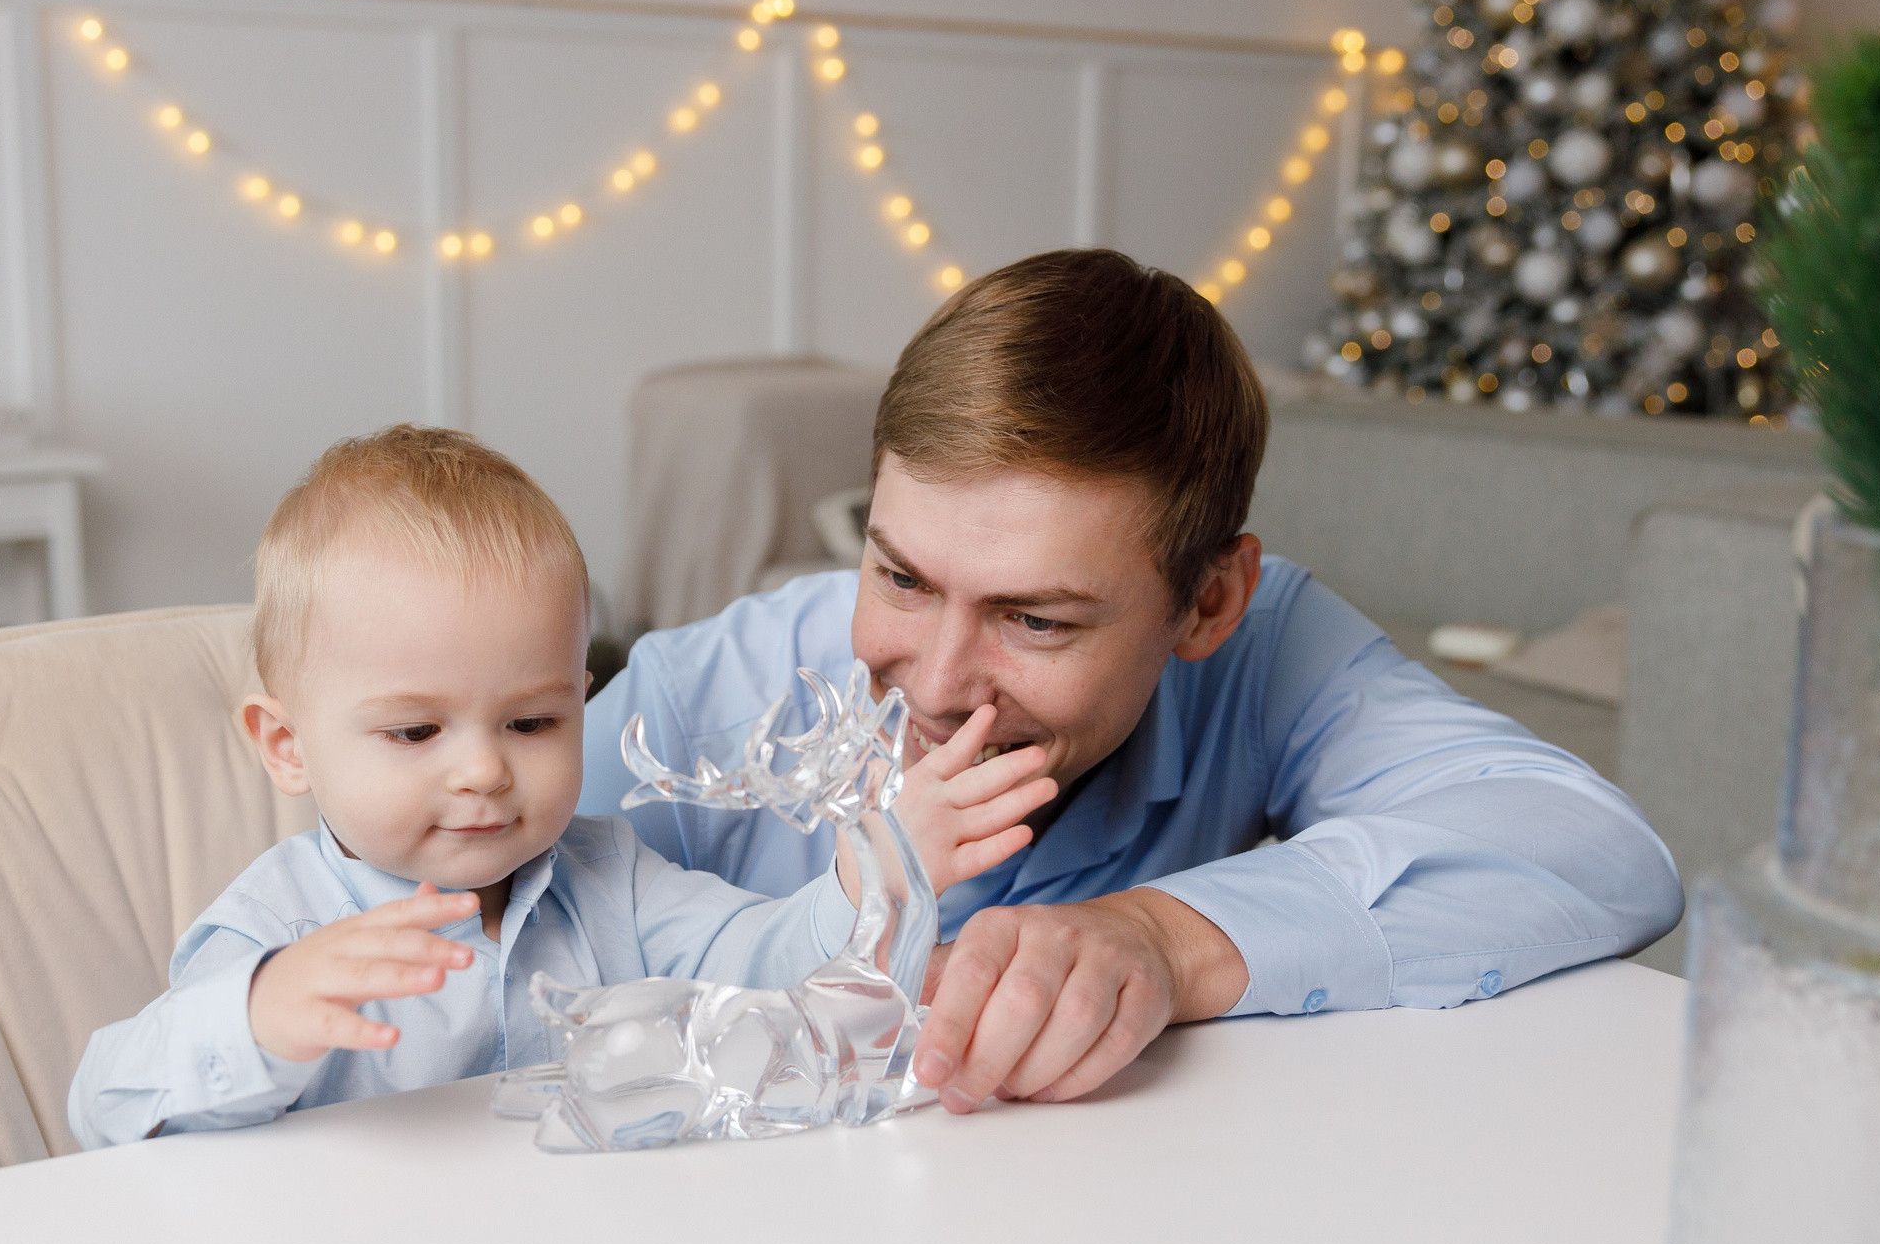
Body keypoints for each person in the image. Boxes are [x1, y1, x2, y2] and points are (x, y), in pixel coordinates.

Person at [582, 249, 1683, 1117]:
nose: (938, 680)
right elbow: (444, 941)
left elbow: (1592, 848)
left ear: (1206, 604)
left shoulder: (1269, 649)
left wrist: (1162, 936)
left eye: (1034, 619)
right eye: (901, 578)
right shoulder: (698, 699)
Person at [67, 426, 1036, 1148]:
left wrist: (879, 873)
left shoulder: (610, 878)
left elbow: (762, 965)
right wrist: (259, 1013)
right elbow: (103, 1106)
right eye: (415, 731)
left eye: (533, 723)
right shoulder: (280, 923)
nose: (484, 769)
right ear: (286, 745)